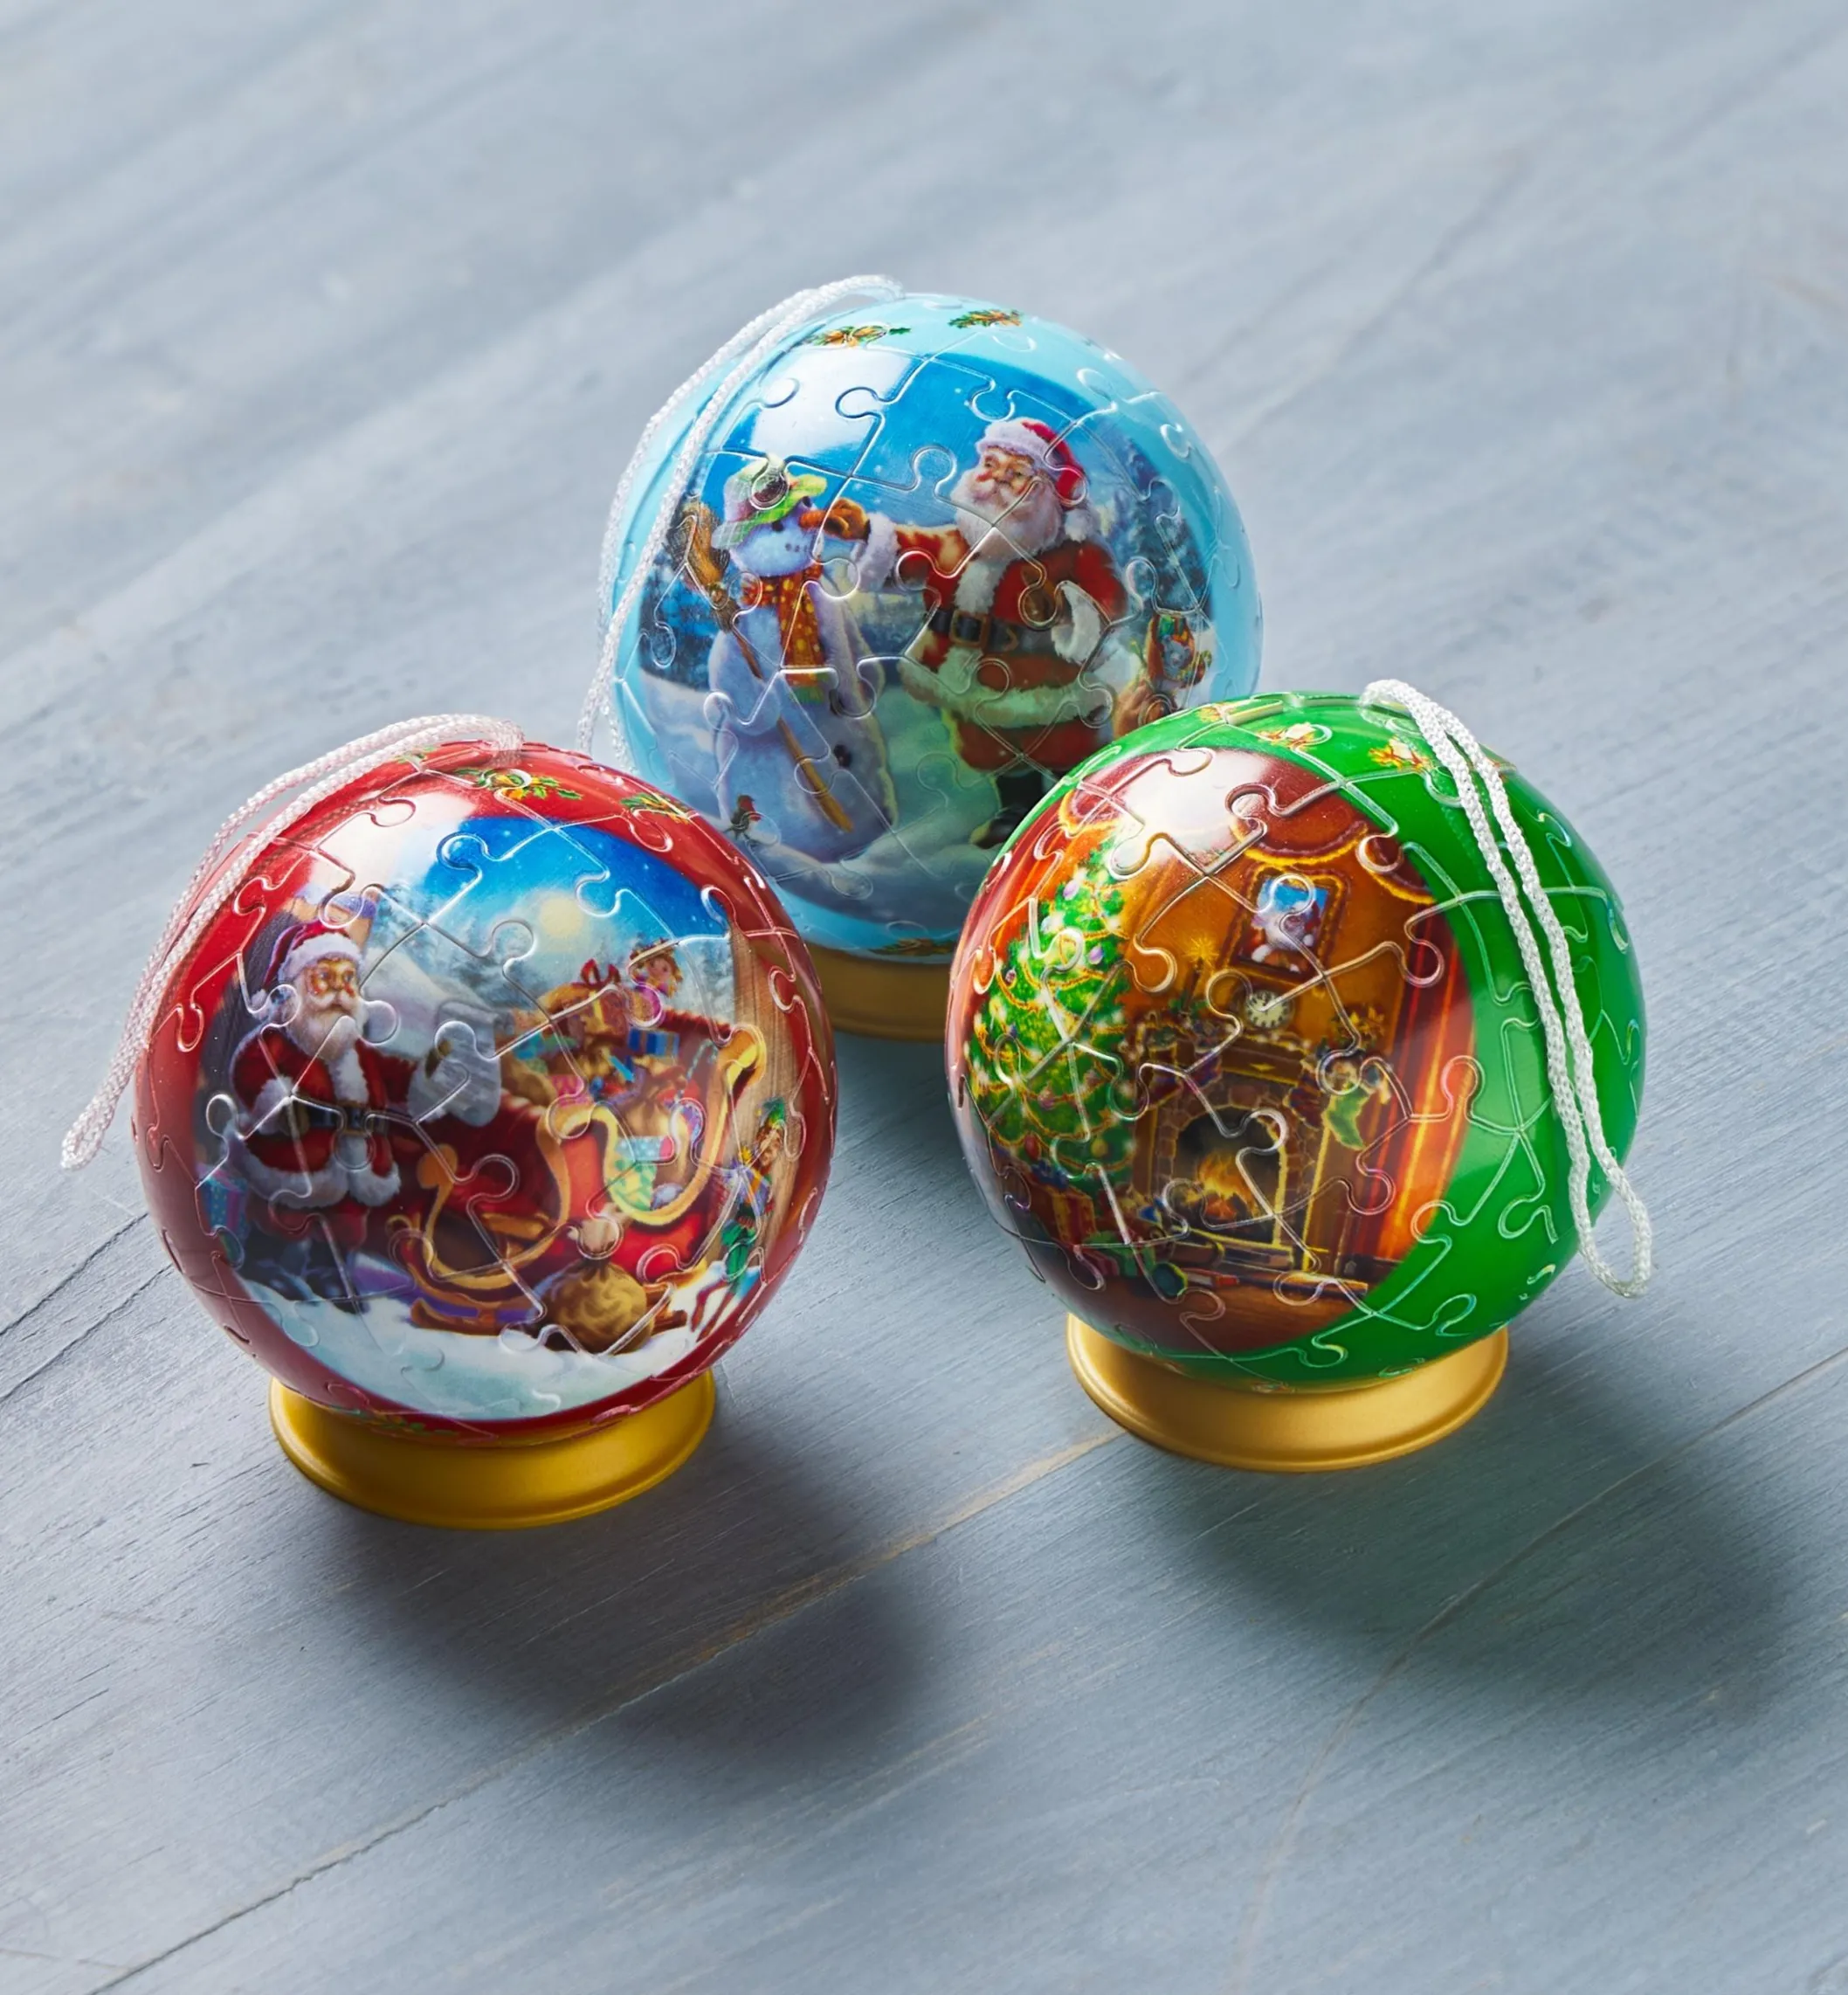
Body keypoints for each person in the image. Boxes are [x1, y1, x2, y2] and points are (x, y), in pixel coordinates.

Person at [827, 417, 1128, 848]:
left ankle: (1088, 804)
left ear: (1048, 494)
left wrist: (1067, 609)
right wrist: (866, 532)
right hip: (971, 682)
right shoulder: (954, 542)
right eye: (990, 464)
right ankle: (1016, 810)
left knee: (1065, 746)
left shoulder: (1073, 553)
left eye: (1017, 473)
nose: (997, 480)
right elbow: (910, 550)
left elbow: (1108, 599)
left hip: (1045, 681)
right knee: (994, 750)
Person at [226, 919, 500, 1308]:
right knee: (282, 1206)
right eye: (324, 978)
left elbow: (396, 1081)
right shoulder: (277, 1043)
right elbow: (251, 1071)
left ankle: (329, 1270)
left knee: (345, 1217)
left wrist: (430, 1070)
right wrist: (278, 1104)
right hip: (294, 1154)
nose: (339, 991)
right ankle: (264, 1258)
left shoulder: (357, 1052)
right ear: (295, 985)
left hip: (354, 1156)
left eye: (348, 978)